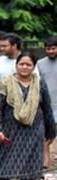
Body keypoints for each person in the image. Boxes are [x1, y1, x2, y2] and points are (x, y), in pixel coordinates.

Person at [0, 52, 55, 180]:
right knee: (6, 160)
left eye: (28, 64)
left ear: (34, 67)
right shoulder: (5, 83)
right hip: (10, 130)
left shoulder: (39, 84)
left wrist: (51, 131)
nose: (24, 67)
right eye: (22, 64)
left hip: (34, 130)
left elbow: (47, 107)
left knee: (32, 164)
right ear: (16, 65)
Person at [37, 36, 57, 169]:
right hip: (46, 104)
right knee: (47, 135)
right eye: (48, 48)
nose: (50, 51)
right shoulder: (39, 63)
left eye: (53, 48)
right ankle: (46, 162)